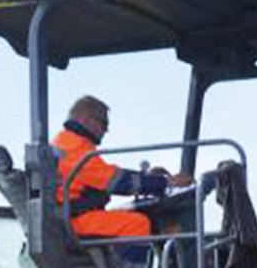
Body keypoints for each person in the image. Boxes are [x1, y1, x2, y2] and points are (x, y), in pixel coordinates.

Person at [53, 95, 192, 240]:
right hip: (75, 221)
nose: (106, 130)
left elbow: (111, 176)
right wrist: (167, 182)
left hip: (74, 216)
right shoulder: (74, 148)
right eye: (104, 123)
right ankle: (123, 264)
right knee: (137, 225)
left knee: (133, 215)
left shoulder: (69, 143)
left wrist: (150, 180)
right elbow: (118, 182)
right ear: (87, 119)